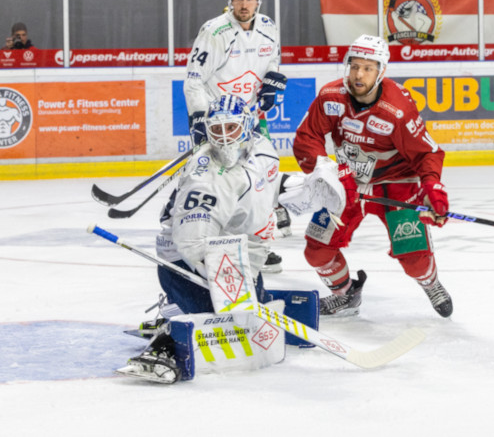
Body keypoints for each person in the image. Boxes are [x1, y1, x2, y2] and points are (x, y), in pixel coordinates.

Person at [116, 94, 345, 384]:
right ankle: (165, 341)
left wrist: (310, 188)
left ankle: (180, 309)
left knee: (249, 316)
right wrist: (229, 288)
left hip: (237, 254)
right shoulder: (207, 177)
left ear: (248, 126)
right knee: (229, 325)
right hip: (189, 264)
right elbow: (192, 244)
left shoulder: (261, 148)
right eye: (217, 131)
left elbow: (268, 186)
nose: (224, 139)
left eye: (231, 129)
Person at [292, 34, 455, 318]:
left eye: (368, 68)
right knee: (317, 249)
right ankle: (345, 295)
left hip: (396, 184)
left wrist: (433, 188)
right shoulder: (331, 97)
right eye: (354, 66)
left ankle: (430, 283)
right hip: (348, 183)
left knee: (415, 258)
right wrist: (328, 172)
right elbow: (307, 138)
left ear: (381, 71)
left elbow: (426, 153)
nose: (359, 74)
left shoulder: (398, 109)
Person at [184, 0, 288, 267]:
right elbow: (193, 81)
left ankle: (259, 247)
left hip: (251, 119)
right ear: (229, 1)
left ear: (258, 1)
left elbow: (272, 62)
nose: (244, 4)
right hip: (219, 123)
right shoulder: (214, 32)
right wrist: (201, 122)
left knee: (263, 179)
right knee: (215, 182)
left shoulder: (268, 26)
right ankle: (206, 237)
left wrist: (272, 82)